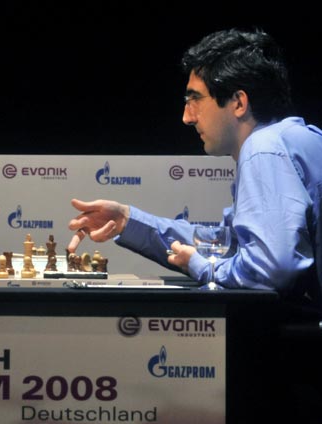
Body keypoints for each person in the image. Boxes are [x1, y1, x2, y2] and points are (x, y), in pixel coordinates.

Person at [67, 27, 322, 422]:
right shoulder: (291, 138)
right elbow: (231, 244)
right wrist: (128, 221)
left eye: (195, 99)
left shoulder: (263, 150)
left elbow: (271, 269)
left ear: (238, 102)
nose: (186, 117)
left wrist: (200, 266)